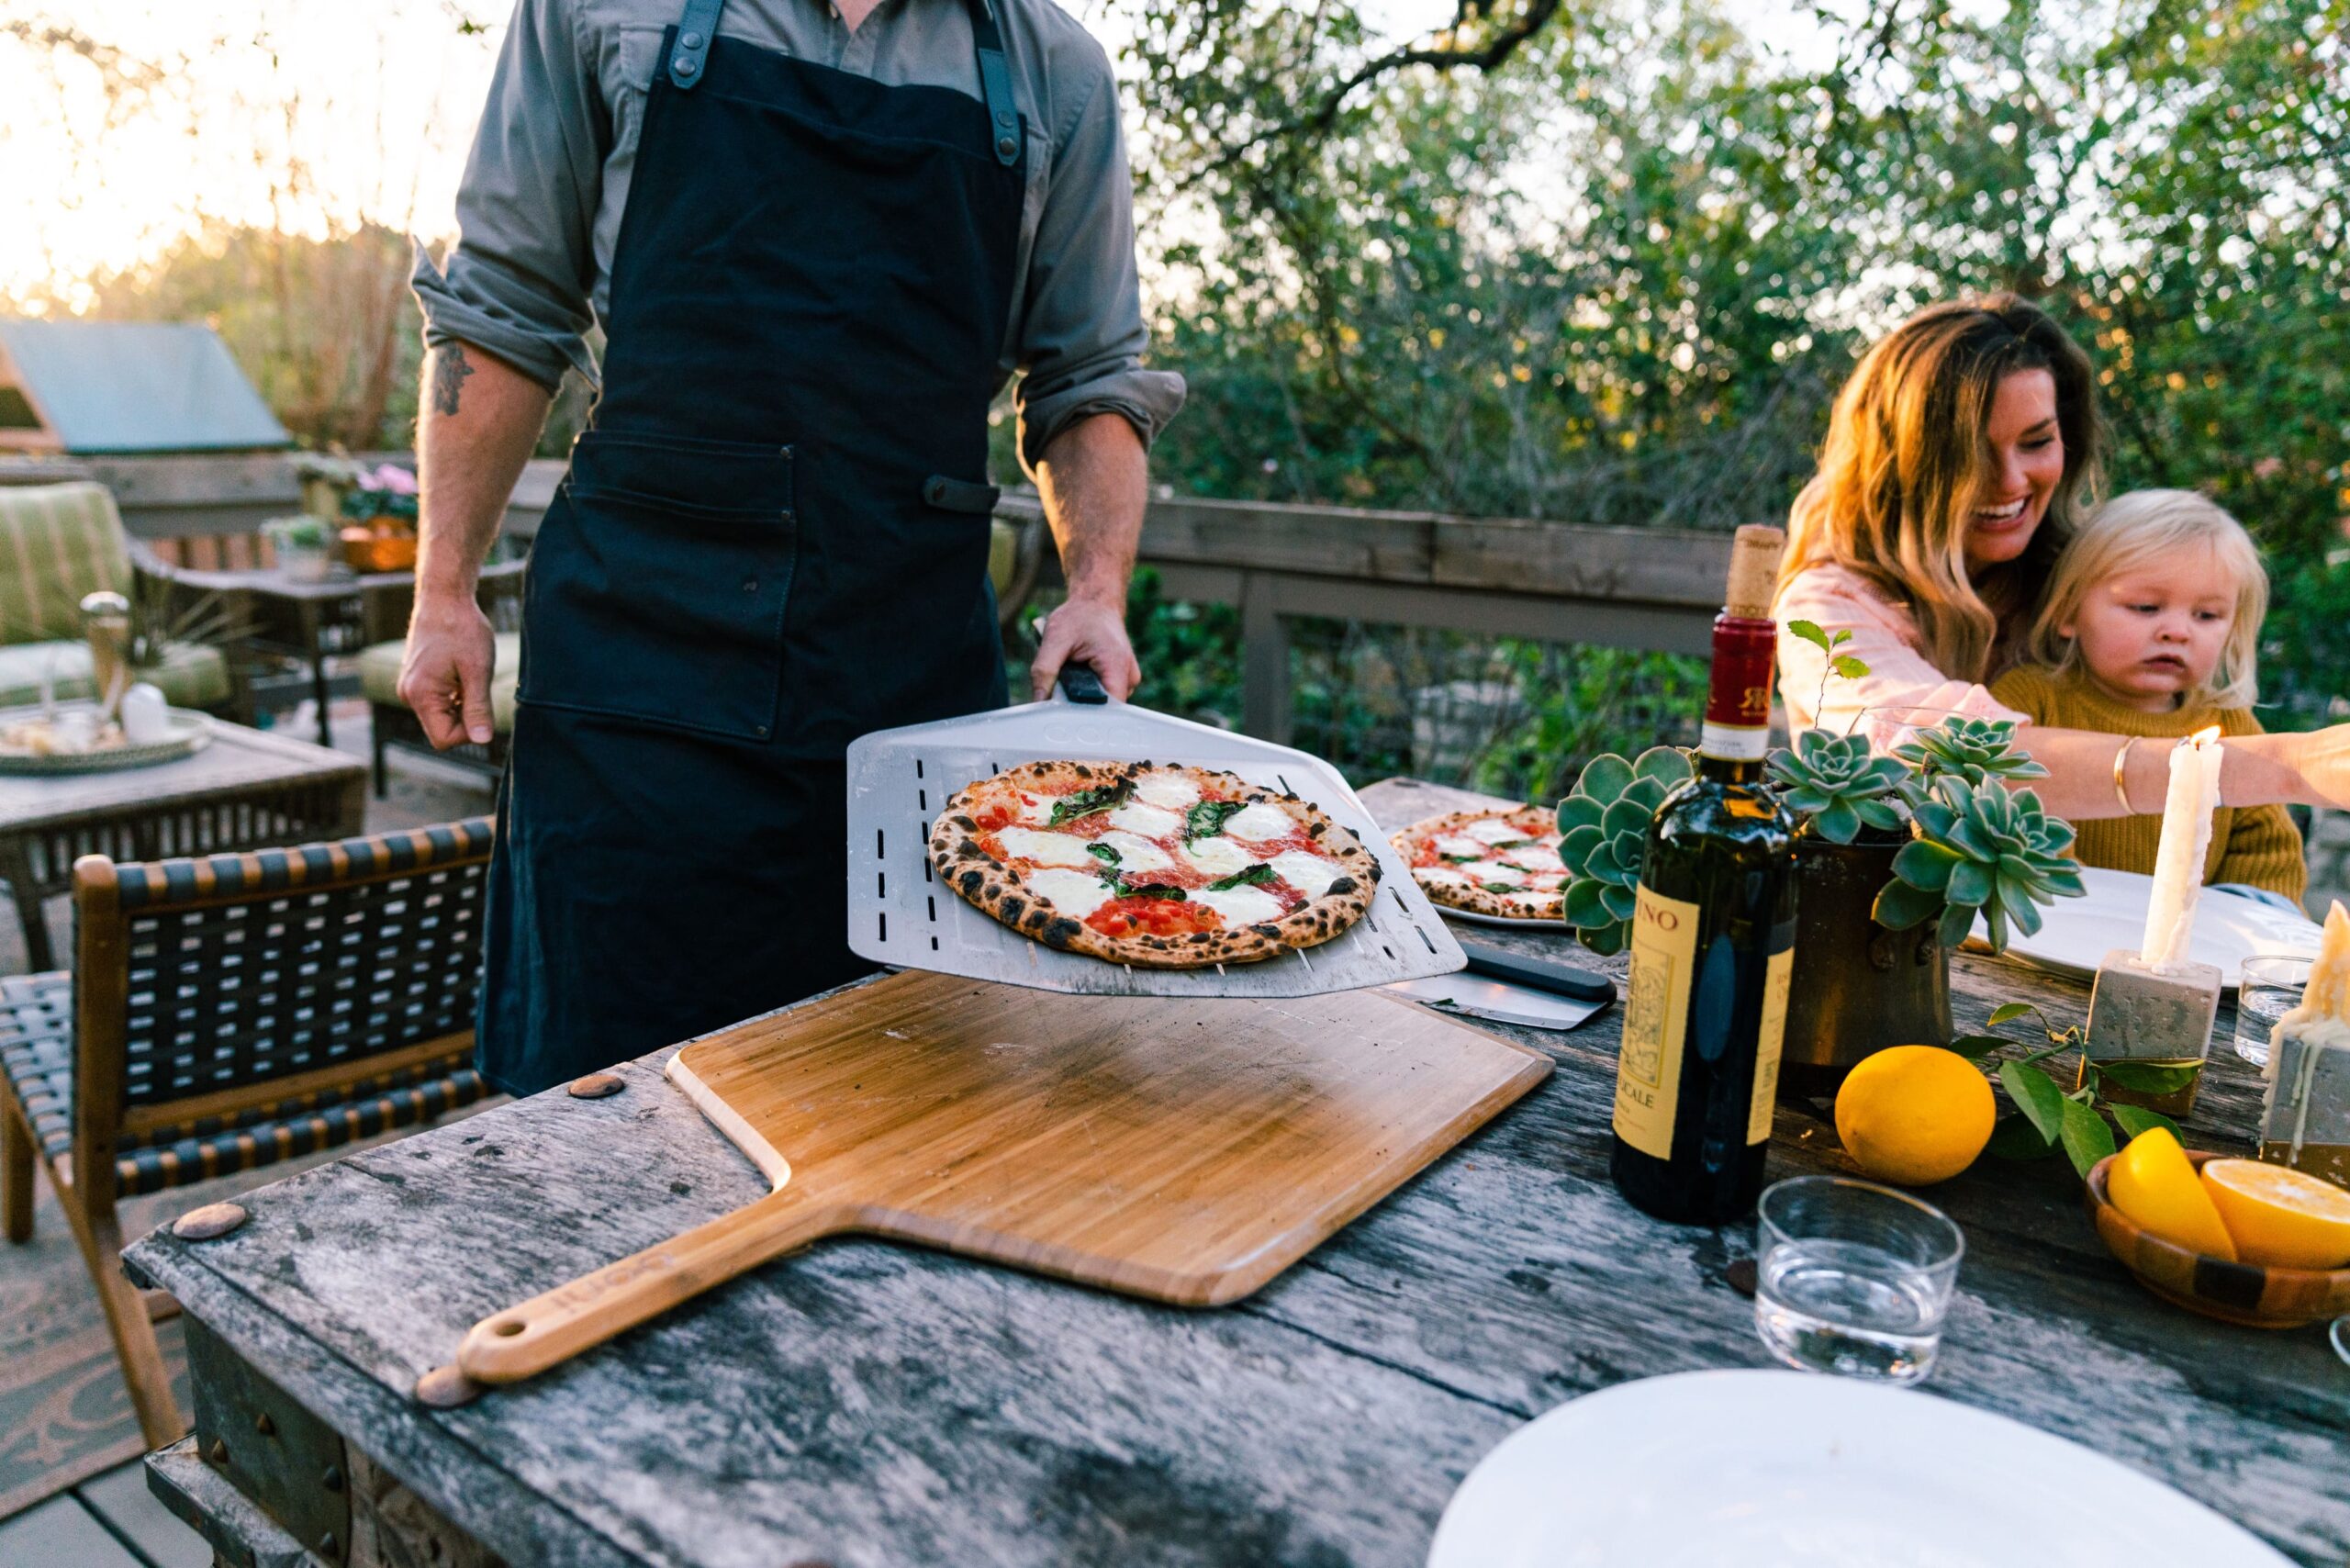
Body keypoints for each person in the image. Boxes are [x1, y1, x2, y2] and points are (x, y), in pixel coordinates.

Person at [398, 0, 1183, 1095]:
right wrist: (443, 589)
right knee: (599, 1112)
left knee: (898, 1109)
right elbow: (502, 308)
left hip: (908, 717)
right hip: (636, 699)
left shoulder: (1056, 70)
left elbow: (1089, 377)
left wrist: (1096, 590)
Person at [1773, 293, 2350, 828]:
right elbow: (1934, 753)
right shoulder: (1826, 607)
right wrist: (2291, 765)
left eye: (2036, 442)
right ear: (1900, 461)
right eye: (1969, 455)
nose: (2010, 481)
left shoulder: (2081, 577)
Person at [1988, 490, 2304, 903]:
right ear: (2068, 611)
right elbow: (2019, 809)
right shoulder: (2030, 700)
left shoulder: (2231, 725)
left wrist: (2243, 916)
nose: (2177, 631)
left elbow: (2269, 850)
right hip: (2059, 920)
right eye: (2145, 607)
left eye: (2206, 615)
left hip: (2190, 935)